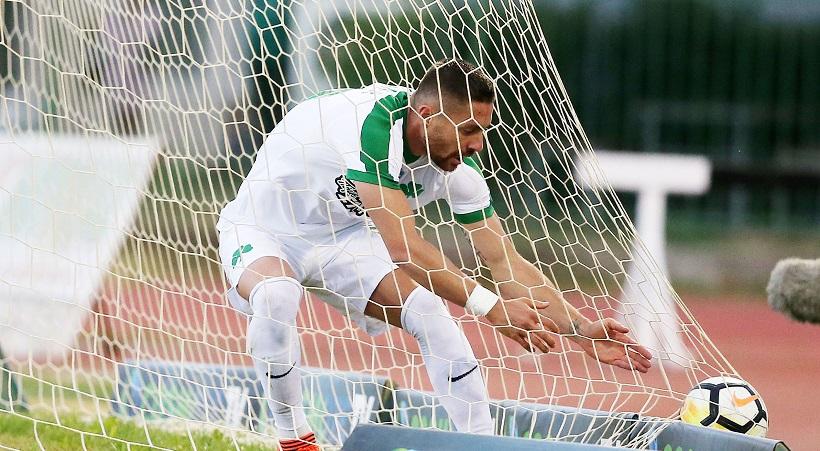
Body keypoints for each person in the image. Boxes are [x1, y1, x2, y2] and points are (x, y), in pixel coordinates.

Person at [217, 58, 653, 450]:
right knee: (276, 296)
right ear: (425, 114)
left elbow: (503, 261)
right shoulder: (372, 127)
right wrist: (492, 307)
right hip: (264, 229)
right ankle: (294, 439)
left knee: (428, 310)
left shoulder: (459, 169)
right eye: (469, 130)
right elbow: (404, 249)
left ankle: (482, 446)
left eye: (483, 131)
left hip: (343, 237)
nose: (477, 145)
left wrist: (578, 329)